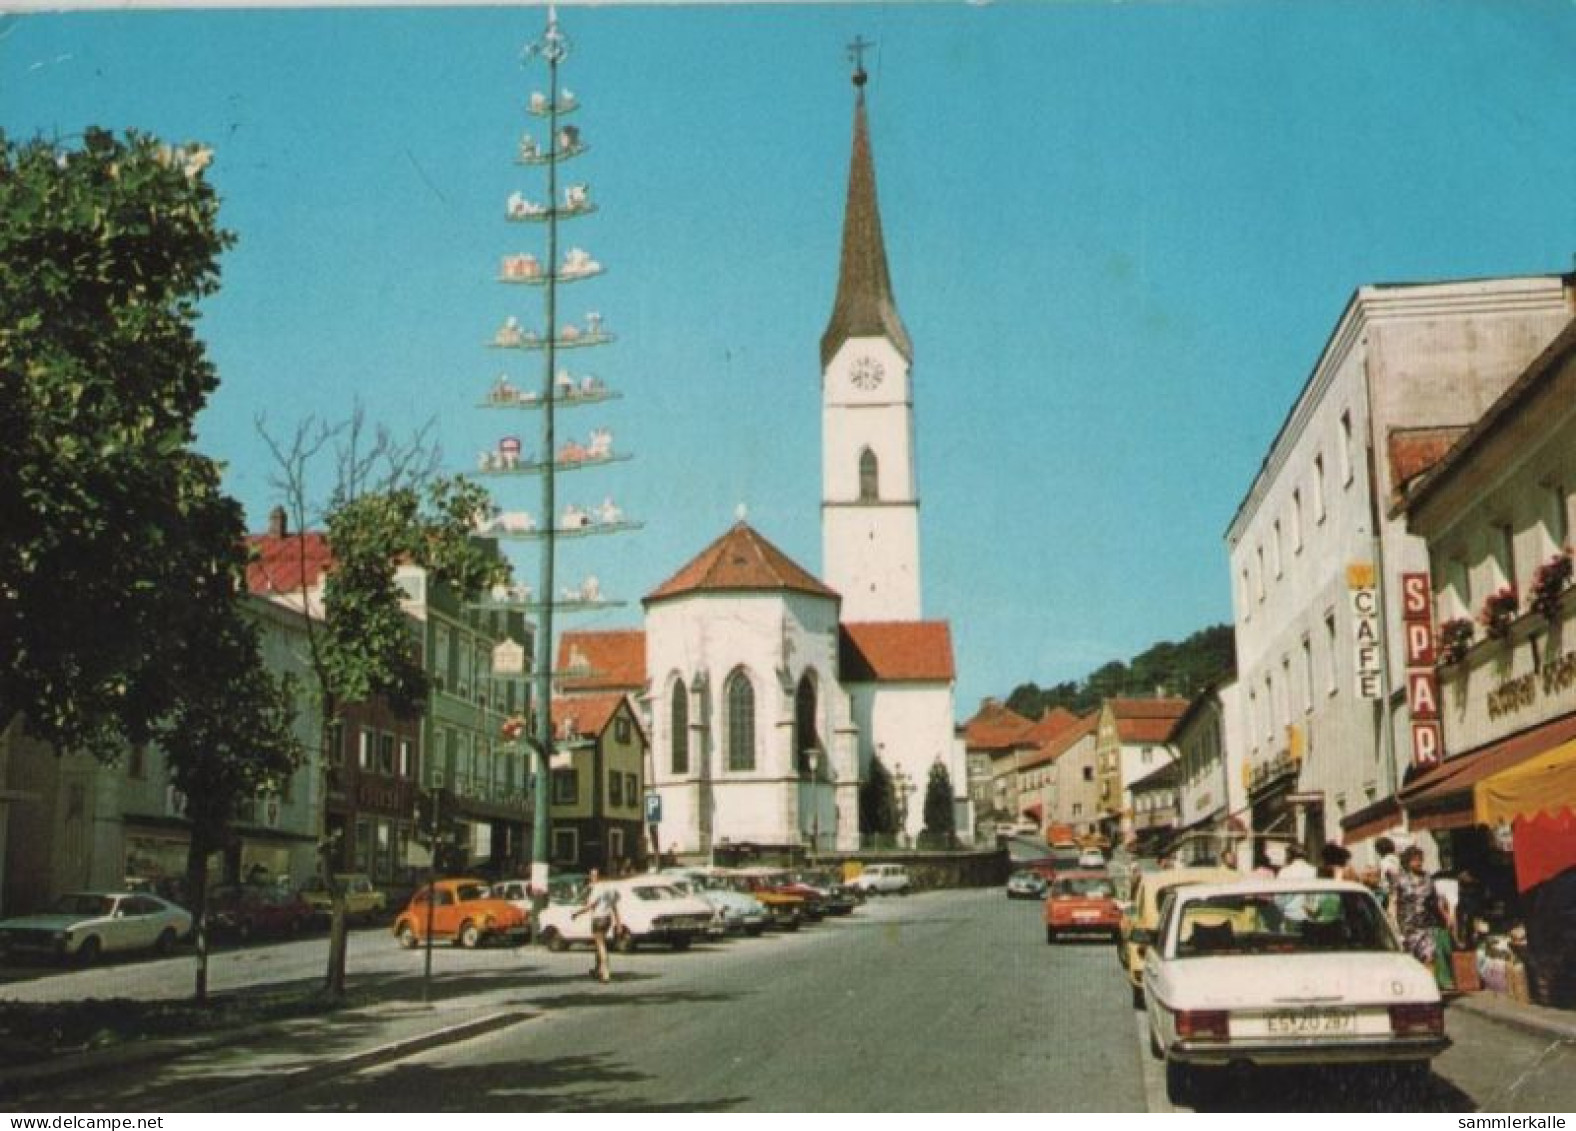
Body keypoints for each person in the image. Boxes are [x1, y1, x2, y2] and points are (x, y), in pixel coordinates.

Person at [1392, 846, 1455, 990]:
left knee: (1430, 956)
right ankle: (1414, 989)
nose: (1418, 862)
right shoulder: (1400, 880)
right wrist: (1393, 924)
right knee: (1412, 961)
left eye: (1420, 859)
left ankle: (1429, 989)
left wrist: (1446, 916)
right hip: (1407, 927)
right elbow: (1393, 902)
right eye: (1415, 859)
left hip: (1426, 924)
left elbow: (1436, 900)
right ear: (1407, 861)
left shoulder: (1428, 878)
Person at [573, 867, 622, 983]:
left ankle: (605, 973)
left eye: (594, 875)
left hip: (598, 919)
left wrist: (576, 913)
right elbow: (614, 907)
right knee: (599, 945)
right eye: (591, 875)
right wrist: (618, 923)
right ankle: (597, 969)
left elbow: (590, 906)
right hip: (607, 919)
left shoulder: (597, 889)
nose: (592, 878)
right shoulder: (611, 889)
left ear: (598, 876)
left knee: (601, 946)